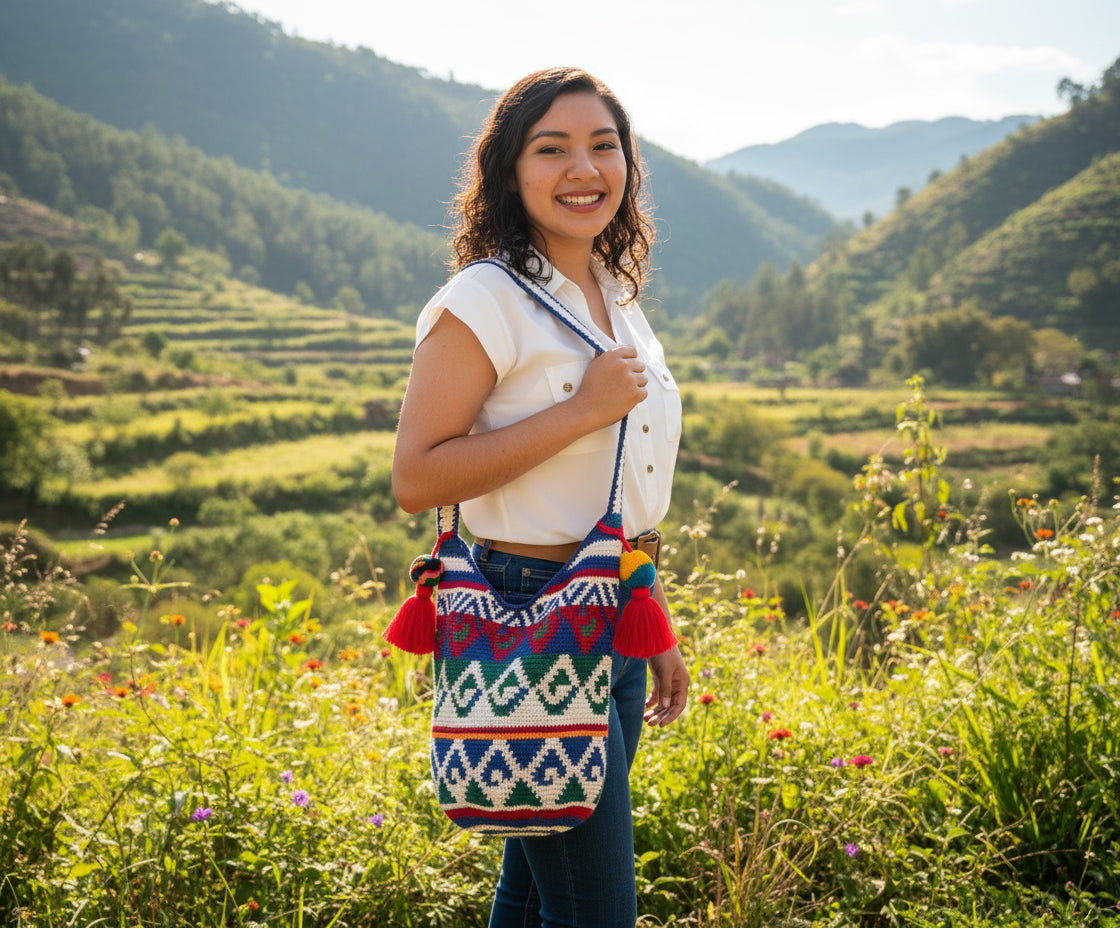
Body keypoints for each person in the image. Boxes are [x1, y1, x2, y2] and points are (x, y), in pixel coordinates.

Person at [392, 66, 689, 928]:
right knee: (596, 911)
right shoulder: (485, 299)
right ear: (510, 170)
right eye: (551, 149)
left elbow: (617, 480)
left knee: (532, 894)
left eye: (604, 146)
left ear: (628, 163)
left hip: (614, 604)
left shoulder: (616, 297)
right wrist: (581, 410)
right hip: (531, 614)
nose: (583, 169)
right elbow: (418, 478)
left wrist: (652, 612)